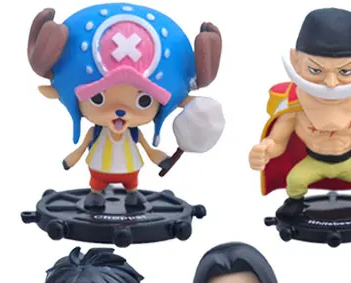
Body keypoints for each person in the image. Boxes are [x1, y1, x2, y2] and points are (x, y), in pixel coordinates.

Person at [27, 4, 222, 208]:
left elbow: (147, 148)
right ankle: (97, 192)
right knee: (97, 182)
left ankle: (132, 193)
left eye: (144, 101)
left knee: (131, 183)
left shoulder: (134, 134)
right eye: (97, 98)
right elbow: (83, 147)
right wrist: (71, 159)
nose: (120, 110)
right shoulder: (97, 133)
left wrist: (160, 159)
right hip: (99, 171)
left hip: (130, 172)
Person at [249, 8, 351, 217]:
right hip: (313, 160)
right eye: (315, 71)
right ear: (295, 61)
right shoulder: (292, 105)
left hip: (348, 160)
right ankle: (295, 203)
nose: (331, 84)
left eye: (345, 72)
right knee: (295, 180)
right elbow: (278, 142)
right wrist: (265, 150)